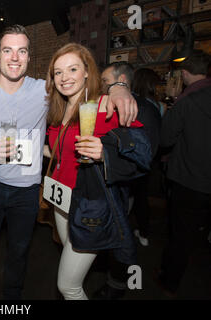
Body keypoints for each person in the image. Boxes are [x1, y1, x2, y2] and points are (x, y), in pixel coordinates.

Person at [0, 24, 138, 300]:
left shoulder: (45, 91)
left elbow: (82, 88)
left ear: (28, 57)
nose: (14, 57)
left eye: (21, 51)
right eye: (7, 50)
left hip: (27, 190)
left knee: (19, 252)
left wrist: (118, 88)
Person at [44, 43, 151, 300]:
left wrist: (105, 153)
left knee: (67, 286)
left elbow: (143, 152)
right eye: (58, 72)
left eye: (72, 69)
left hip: (88, 204)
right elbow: (60, 152)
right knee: (69, 251)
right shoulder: (58, 110)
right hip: (60, 200)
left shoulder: (104, 105)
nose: (64, 77)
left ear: (86, 73)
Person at [95, 62, 160, 299]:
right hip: (113, 186)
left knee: (122, 238)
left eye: (105, 81)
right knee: (116, 234)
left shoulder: (141, 108)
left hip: (127, 187)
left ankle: (119, 286)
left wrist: (105, 158)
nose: (102, 86)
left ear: (121, 78)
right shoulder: (110, 103)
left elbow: (145, 157)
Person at [155, 51, 211, 298]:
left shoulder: (187, 101)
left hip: (190, 180)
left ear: (185, 73)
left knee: (181, 234)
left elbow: (165, 139)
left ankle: (169, 283)